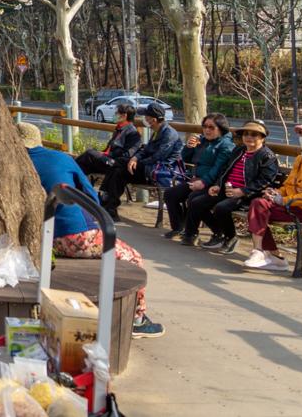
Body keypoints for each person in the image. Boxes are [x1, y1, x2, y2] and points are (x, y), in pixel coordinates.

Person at [16, 122, 165, 338]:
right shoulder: (61, 158)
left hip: (40, 237)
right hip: (76, 235)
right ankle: (137, 319)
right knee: (134, 258)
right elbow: (91, 196)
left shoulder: (14, 163)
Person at [245, 119, 302, 272]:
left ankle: (266, 254)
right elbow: (289, 185)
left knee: (258, 209)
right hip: (291, 206)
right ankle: (266, 253)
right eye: (301, 134)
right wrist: (276, 193)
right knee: (258, 204)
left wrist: (283, 200)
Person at [184, 120, 280, 253]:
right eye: (246, 134)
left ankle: (230, 238)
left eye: (254, 135)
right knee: (195, 201)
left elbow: (265, 181)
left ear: (262, 138)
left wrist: (242, 191)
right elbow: (225, 170)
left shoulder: (267, 156)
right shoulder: (239, 150)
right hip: (227, 189)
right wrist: (218, 185)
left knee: (221, 208)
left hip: (248, 195)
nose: (249, 137)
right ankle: (218, 233)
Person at [99, 102, 182, 220]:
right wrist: (135, 158)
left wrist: (138, 162)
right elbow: (145, 150)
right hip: (148, 168)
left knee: (119, 163)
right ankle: (110, 208)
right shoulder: (156, 131)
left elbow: (158, 156)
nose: (144, 119)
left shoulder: (169, 134)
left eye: (146, 117)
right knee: (119, 171)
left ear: (153, 119)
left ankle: (105, 198)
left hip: (159, 172)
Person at [164, 113, 234, 240]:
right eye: (205, 126)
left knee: (194, 199)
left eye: (211, 127)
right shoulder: (202, 141)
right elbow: (186, 158)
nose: (207, 130)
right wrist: (189, 147)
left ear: (221, 128)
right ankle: (178, 227)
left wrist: (204, 182)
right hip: (196, 178)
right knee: (170, 194)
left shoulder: (225, 145)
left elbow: (218, 169)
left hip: (213, 183)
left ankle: (193, 233)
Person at [76, 103, 141, 177]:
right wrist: (102, 153)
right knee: (84, 165)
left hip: (114, 163)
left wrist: (106, 155)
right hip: (107, 160)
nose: (114, 115)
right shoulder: (119, 129)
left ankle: (67, 171)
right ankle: (73, 184)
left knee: (89, 153)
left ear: (124, 116)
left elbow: (127, 154)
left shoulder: (132, 132)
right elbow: (108, 149)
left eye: (116, 113)